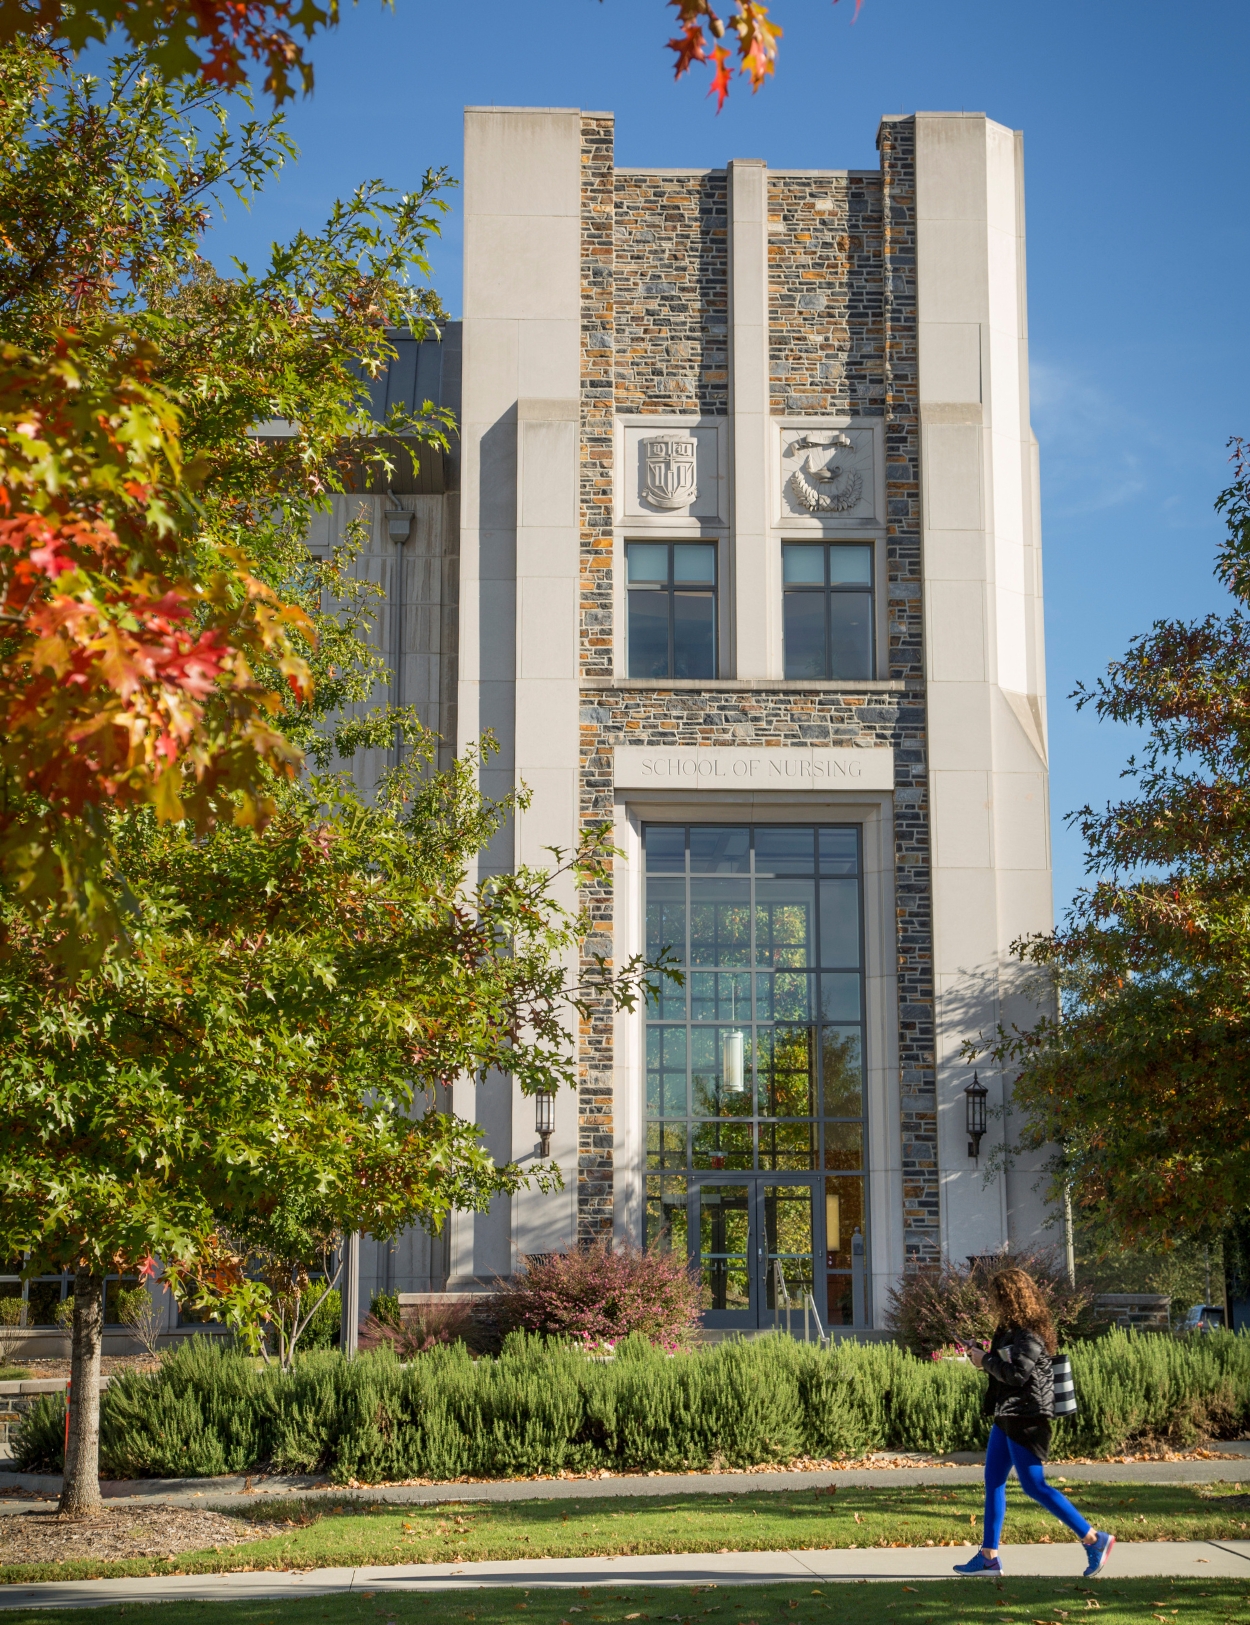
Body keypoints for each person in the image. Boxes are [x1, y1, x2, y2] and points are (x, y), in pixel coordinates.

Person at [953, 1266, 1114, 1578]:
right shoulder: (1009, 1330)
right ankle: (989, 1557)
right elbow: (1002, 1367)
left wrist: (985, 1360)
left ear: (1010, 1297)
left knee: (1034, 1485)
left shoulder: (1030, 1334)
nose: (994, 1302)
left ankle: (1095, 1539)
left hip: (1028, 1418)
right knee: (994, 1482)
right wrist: (979, 1354)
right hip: (1006, 1415)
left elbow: (1017, 1374)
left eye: (998, 1296)